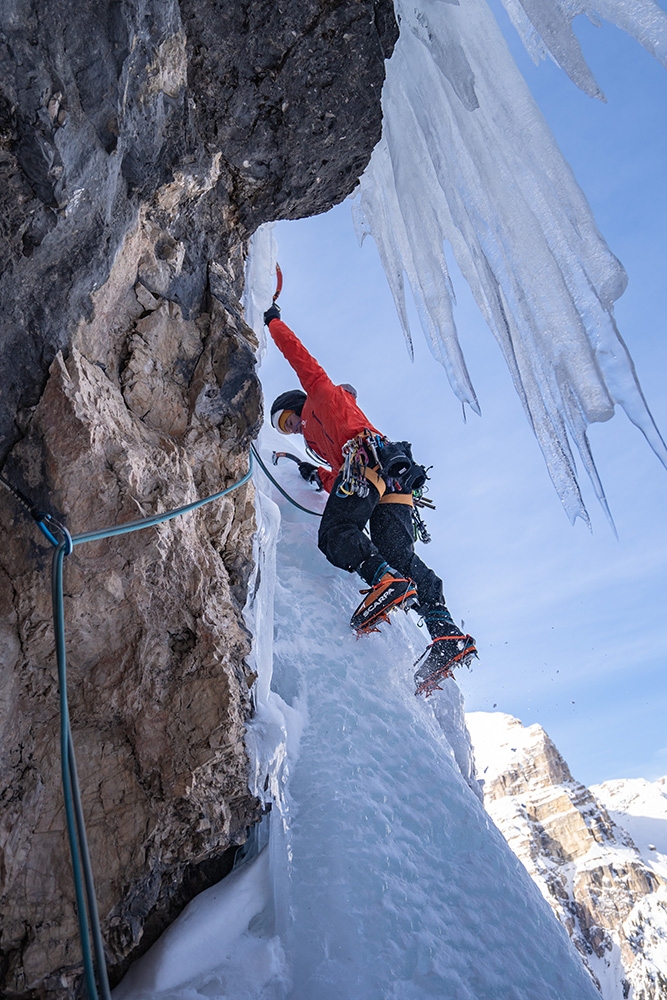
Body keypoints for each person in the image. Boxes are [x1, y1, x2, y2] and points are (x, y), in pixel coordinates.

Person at [263, 303, 476, 695]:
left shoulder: (321, 396)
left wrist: (273, 322)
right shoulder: (317, 438)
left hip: (367, 465)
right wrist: (318, 473)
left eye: (286, 419)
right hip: (389, 479)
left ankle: (383, 580)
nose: (289, 428)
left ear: (296, 406)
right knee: (399, 552)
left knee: (335, 533)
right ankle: (445, 631)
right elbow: (341, 480)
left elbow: (300, 358)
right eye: (283, 428)